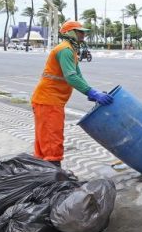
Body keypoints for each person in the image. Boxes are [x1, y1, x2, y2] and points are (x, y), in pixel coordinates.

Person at [31, 21, 113, 165]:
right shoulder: (65, 50)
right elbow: (71, 77)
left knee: (44, 139)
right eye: (80, 31)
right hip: (48, 101)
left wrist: (92, 92)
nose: (84, 34)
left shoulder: (70, 50)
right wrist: (92, 93)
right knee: (51, 139)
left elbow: (78, 76)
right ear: (71, 33)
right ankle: (53, 178)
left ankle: (43, 174)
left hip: (47, 101)